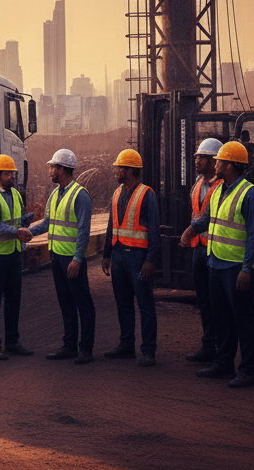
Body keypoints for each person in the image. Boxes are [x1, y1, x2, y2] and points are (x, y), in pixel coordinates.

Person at [181, 140, 254, 388]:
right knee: (222, 318)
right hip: (215, 263)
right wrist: (190, 231)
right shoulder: (219, 190)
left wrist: (247, 269)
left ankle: (249, 370)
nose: (215, 164)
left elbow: (253, 236)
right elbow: (207, 218)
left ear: (229, 166)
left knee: (243, 319)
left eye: (218, 161)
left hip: (235, 268)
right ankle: (224, 363)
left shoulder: (250, 194)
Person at [28, 148, 96, 364]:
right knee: (66, 303)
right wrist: (29, 232)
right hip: (57, 258)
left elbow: (84, 230)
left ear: (63, 169)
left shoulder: (80, 195)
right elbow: (48, 223)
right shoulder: (55, 194)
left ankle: (86, 349)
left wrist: (77, 259)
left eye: (53, 167)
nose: (50, 171)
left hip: (71, 260)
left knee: (83, 304)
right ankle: (69, 346)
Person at [101, 149, 160, 366]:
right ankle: (126, 345)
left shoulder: (147, 194)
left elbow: (154, 230)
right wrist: (107, 255)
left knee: (145, 304)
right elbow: (111, 225)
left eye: (119, 168)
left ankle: (148, 350)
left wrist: (150, 260)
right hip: (118, 255)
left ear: (130, 170)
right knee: (123, 303)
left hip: (137, 256)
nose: (116, 171)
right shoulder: (117, 193)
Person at [0, 154, 34, 359]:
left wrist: (28, 219)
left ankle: (12, 341)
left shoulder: (16, 195)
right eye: (8, 173)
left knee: (14, 299)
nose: (12, 176)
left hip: (13, 253)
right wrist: (17, 233)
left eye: (13, 173)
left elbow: (16, 221)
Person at [185, 138, 223, 363]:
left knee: (216, 300)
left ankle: (220, 347)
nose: (196, 160)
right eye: (197, 157)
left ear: (213, 161)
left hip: (214, 250)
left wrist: (189, 230)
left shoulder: (221, 187)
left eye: (201, 157)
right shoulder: (197, 183)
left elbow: (208, 217)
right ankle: (209, 344)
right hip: (198, 248)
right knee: (203, 300)